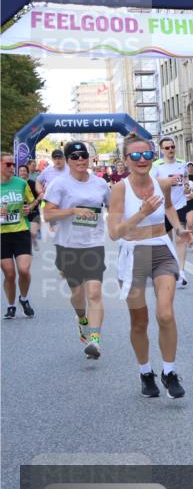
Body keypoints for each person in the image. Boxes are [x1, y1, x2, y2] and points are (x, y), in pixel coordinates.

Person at [108, 133, 190, 398]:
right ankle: (145, 372)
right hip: (133, 255)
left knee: (165, 314)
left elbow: (168, 208)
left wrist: (179, 229)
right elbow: (114, 232)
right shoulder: (119, 189)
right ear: (125, 160)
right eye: (135, 156)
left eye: (146, 155)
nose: (142, 160)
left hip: (161, 251)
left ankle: (169, 371)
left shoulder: (161, 183)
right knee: (139, 321)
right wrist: (141, 213)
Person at [41, 141, 110, 359]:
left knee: (95, 293)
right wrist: (73, 210)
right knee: (77, 294)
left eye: (84, 156)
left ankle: (95, 340)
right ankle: (81, 318)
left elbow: (114, 208)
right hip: (68, 246)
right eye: (75, 156)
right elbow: (48, 215)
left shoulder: (100, 184)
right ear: (68, 160)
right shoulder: (59, 184)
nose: (80, 160)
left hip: (93, 244)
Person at [151, 137, 193, 287]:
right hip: (162, 207)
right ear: (162, 150)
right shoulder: (156, 166)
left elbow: (186, 179)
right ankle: (170, 267)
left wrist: (187, 187)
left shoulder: (182, 163)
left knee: (180, 238)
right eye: (167, 148)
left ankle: (181, 271)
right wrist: (166, 182)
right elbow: (150, 184)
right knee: (167, 241)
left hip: (179, 205)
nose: (170, 150)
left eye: (172, 147)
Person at [2, 154, 38, 319]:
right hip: (2, 235)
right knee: (9, 273)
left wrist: (29, 208)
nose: (12, 167)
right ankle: (11, 306)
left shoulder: (21, 183)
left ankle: (23, 299)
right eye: (8, 164)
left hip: (21, 231)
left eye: (13, 164)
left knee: (23, 270)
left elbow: (34, 202)